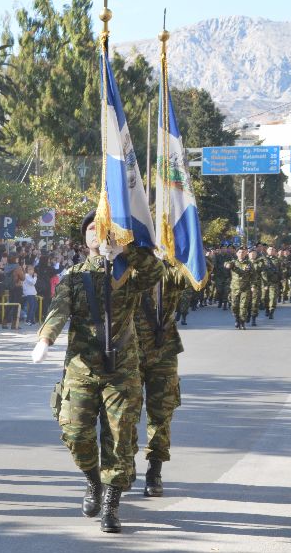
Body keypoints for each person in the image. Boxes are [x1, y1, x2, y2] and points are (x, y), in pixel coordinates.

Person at [31, 209, 163, 533]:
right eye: (91, 228)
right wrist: (45, 340)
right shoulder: (74, 276)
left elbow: (155, 273)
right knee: (75, 433)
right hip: (81, 367)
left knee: (119, 440)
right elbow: (58, 309)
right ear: (85, 238)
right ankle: (93, 481)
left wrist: (126, 250)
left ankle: (111, 504)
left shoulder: (128, 274)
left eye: (101, 228)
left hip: (121, 370)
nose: (96, 232)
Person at [134, 259, 195, 497]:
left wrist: (187, 242)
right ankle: (125, 464)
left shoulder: (168, 274)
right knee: (126, 414)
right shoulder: (125, 273)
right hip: (130, 353)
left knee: (161, 415)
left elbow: (195, 274)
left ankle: (154, 470)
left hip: (163, 353)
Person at [225, 247, 255, 329]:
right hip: (235, 288)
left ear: (245, 254)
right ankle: (237, 319)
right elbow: (227, 264)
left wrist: (253, 286)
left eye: (243, 252)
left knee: (243, 306)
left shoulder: (249, 263)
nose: (241, 254)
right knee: (234, 306)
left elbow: (253, 276)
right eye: (239, 252)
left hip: (246, 288)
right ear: (236, 253)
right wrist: (227, 265)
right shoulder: (233, 262)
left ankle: (242, 322)